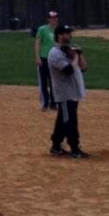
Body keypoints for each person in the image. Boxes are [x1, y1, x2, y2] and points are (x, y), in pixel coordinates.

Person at [46, 24, 88, 158]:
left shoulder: (67, 50)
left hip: (73, 91)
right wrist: (75, 55)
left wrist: (79, 54)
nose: (70, 35)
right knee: (70, 121)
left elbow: (84, 67)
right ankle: (75, 148)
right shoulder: (55, 53)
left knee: (63, 119)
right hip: (64, 93)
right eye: (67, 33)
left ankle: (56, 145)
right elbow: (69, 70)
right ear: (60, 35)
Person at [34, 11, 58, 111]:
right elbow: (37, 43)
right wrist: (37, 56)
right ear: (48, 19)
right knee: (44, 82)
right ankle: (45, 102)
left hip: (55, 58)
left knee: (54, 82)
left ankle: (53, 103)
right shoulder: (42, 29)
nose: (54, 19)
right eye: (51, 18)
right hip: (44, 57)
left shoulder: (59, 30)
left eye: (55, 17)